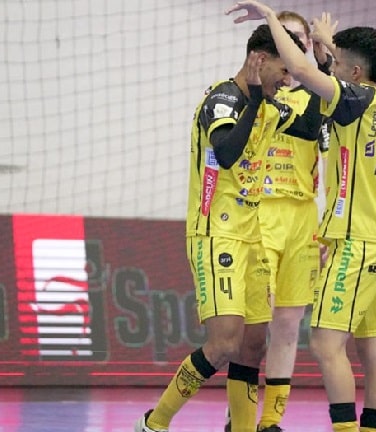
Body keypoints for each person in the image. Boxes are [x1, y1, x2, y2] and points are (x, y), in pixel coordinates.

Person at [226, 2, 376, 432]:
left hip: (358, 240)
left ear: (351, 75)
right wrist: (329, 46)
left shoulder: (349, 101)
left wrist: (271, 19)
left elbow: (307, 71)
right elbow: (343, 73)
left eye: (339, 67)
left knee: (327, 344)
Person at [134, 24, 320, 432]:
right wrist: (255, 101)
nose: (287, 82)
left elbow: (311, 128)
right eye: (283, 71)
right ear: (259, 60)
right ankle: (154, 422)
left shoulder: (271, 102)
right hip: (216, 235)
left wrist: (322, 66)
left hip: (252, 235)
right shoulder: (223, 99)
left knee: (253, 345)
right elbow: (229, 153)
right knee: (224, 344)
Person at [222, 10, 333, 432]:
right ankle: (240, 416)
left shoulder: (319, 94)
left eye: (300, 40)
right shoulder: (260, 89)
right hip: (260, 209)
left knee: (288, 324)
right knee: (254, 325)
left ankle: (271, 420)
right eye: (285, 38)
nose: (294, 46)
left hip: (302, 215)